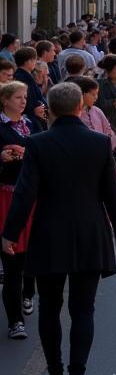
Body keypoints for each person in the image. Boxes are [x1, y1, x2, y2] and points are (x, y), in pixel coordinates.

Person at [1, 82, 116, 375]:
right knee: (83, 310)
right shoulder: (99, 143)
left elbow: (24, 194)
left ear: (52, 110)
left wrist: (9, 234)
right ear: (79, 109)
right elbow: (111, 194)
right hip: (90, 232)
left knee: (49, 308)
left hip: (49, 233)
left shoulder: (38, 144)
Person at [0, 81, 42, 339]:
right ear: (4, 100)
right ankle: (15, 321)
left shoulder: (32, 124)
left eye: (25, 97)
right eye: (18, 97)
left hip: (34, 198)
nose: (24, 101)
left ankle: (29, 293)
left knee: (31, 258)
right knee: (12, 261)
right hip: (7, 196)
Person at [13, 46, 47, 125]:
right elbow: (30, 99)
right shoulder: (24, 78)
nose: (35, 62)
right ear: (28, 61)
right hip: (31, 118)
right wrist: (33, 110)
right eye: (34, 59)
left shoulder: (24, 75)